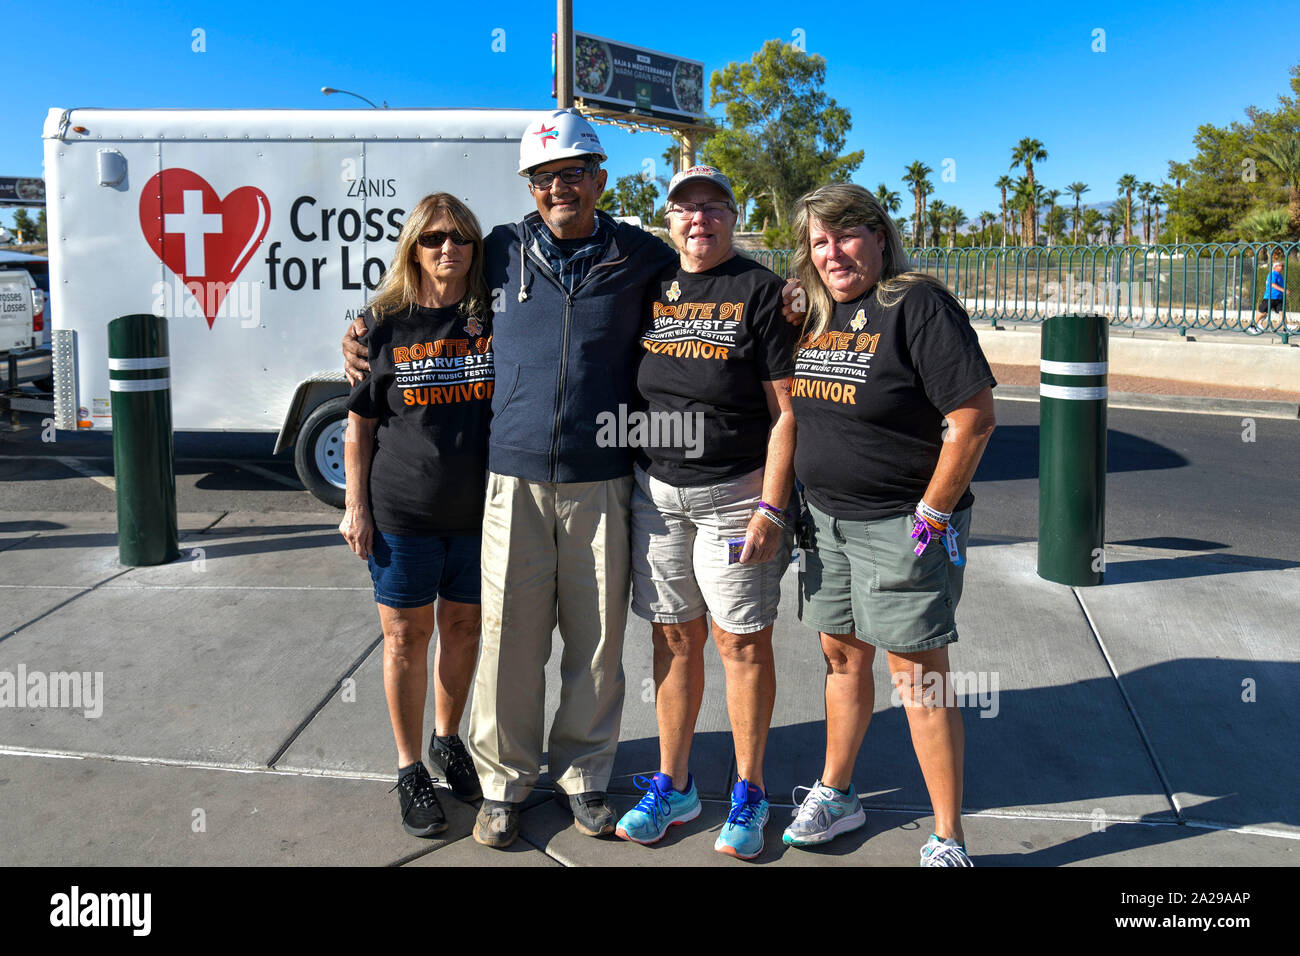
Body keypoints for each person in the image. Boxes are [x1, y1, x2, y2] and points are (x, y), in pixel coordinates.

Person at [344, 110, 679, 848]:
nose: (559, 187)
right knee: (507, 639)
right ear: (530, 189)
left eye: (572, 173)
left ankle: (587, 775)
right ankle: (503, 784)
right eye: (544, 178)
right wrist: (361, 328)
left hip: (601, 477)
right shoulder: (499, 248)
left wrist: (787, 296)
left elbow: (718, 276)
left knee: (593, 641)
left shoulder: (641, 253)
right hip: (512, 479)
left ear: (598, 178)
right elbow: (417, 292)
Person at [779, 183, 996, 867]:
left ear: (878, 235)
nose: (833, 252)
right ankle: (838, 794)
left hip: (904, 524)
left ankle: (947, 837)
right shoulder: (813, 311)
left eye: (846, 234)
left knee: (919, 680)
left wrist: (932, 513)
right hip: (826, 524)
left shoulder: (916, 304)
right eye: (818, 241)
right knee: (842, 658)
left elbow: (973, 419)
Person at [613, 166, 798, 860]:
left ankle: (751, 791)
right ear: (668, 221)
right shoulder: (650, 286)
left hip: (735, 497)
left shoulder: (759, 291)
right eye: (686, 209)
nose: (699, 220)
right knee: (673, 639)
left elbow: (786, 415)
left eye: (714, 207)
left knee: (741, 642)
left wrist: (771, 508)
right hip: (656, 495)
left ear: (732, 214)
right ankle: (677, 784)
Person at [339, 193, 493, 837]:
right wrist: (355, 506)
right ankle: (410, 769)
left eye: (459, 237)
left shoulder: (494, 317)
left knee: (462, 633)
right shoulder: (382, 325)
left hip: (482, 516)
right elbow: (360, 429)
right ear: (413, 247)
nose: (447, 249)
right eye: (432, 239)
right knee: (406, 639)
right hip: (401, 514)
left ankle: (447, 739)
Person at [1247, 251, 1288, 334]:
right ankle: (1252, 326)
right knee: (1262, 314)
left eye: (1282, 266)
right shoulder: (1273, 274)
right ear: (1275, 267)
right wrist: (1283, 290)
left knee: (1282, 313)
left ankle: (1286, 329)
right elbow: (1272, 284)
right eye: (1280, 266)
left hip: (1278, 298)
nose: (1282, 267)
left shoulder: (1279, 275)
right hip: (1270, 297)